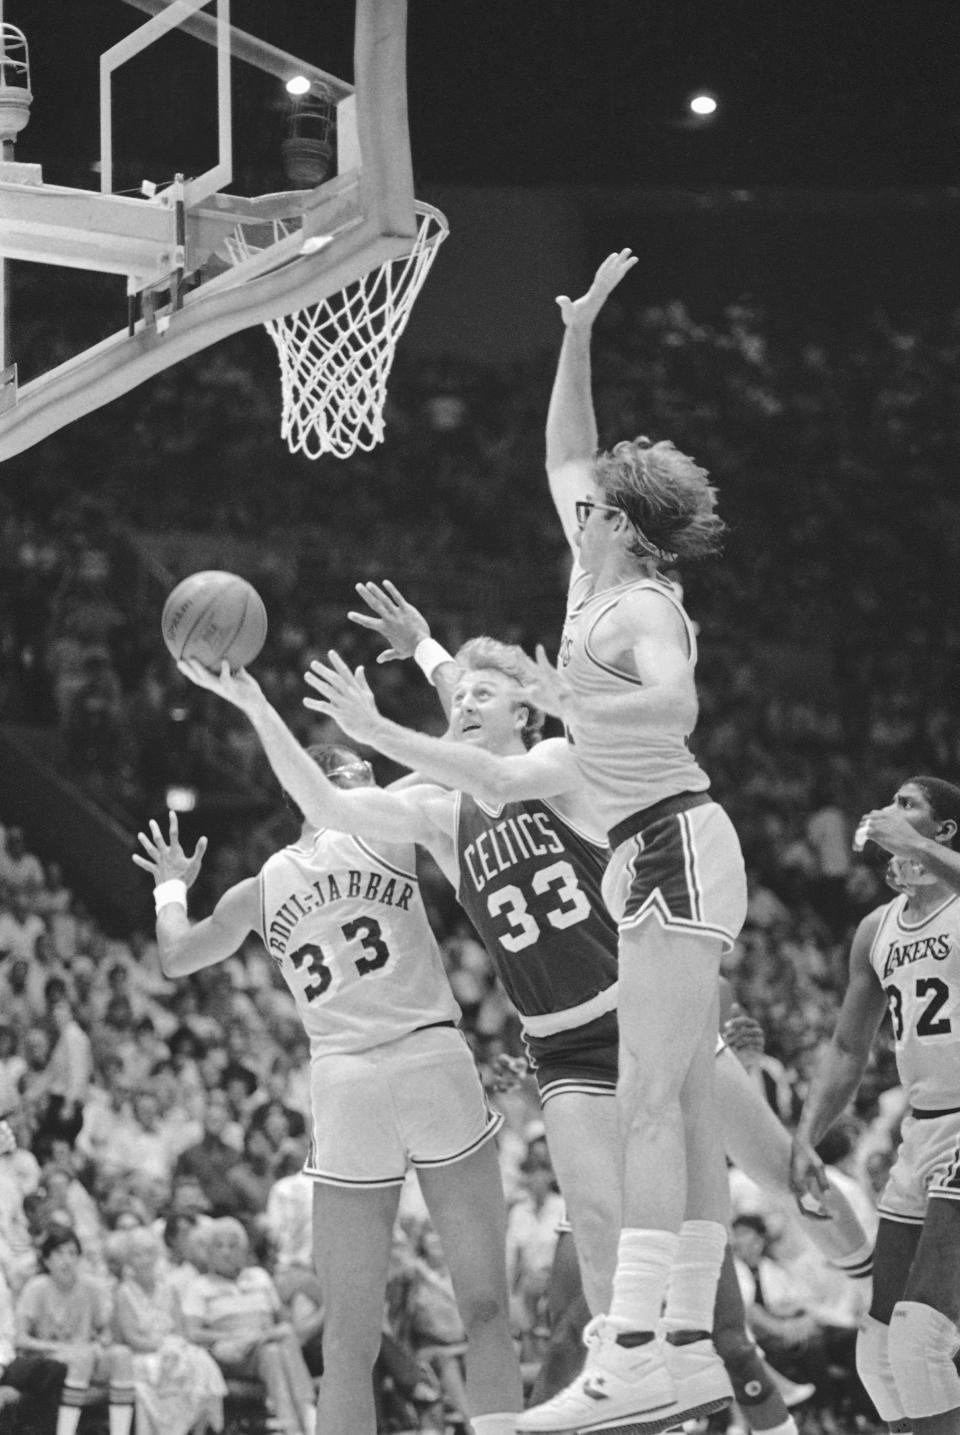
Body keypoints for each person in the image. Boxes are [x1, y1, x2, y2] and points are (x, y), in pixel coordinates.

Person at [180, 626, 866, 1435]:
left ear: (524, 711)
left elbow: (494, 752)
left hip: (647, 1006)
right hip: (562, 1042)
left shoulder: (563, 766)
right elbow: (328, 804)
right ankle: (644, 1394)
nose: (465, 703)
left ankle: (873, 1275)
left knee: (786, 1172)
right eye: (458, 696)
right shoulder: (437, 808)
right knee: (601, 1226)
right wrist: (255, 703)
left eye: (482, 696)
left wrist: (436, 661)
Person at [310, 249, 747, 1432]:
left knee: (666, 1107)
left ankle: (647, 1350)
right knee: (675, 1115)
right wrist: (577, 331)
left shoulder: (644, 604)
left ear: (622, 523)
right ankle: (681, 1354)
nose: (577, 497)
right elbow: (564, 447)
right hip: (646, 855)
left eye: (596, 499)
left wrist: (574, 700)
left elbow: (678, 705)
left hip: (672, 834)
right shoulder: (587, 573)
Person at [132, 758, 521, 1435]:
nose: (370, 772)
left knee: (379, 1331)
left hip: (353, 1082)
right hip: (416, 1062)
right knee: (413, 1321)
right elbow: (459, 756)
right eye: (353, 766)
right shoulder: (382, 831)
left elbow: (177, 953)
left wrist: (171, 888)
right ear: (310, 786)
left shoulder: (257, 890)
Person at [791, 776, 960, 1435]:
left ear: (944, 831)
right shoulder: (875, 928)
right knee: (880, 1352)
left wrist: (912, 841)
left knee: (919, 1337)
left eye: (907, 804)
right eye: (888, 803)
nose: (888, 811)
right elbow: (844, 1045)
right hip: (922, 1133)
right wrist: (807, 1133)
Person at [179, 1217, 312, 1435]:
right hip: (232, 1353)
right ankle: (307, 1415)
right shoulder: (199, 1286)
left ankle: (290, 1425)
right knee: (276, 1345)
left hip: (265, 1345)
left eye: (233, 1245)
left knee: (273, 1352)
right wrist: (233, 1335)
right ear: (209, 1253)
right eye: (218, 1246)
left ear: (244, 1251)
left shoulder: (259, 1277)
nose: (226, 1252)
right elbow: (192, 1333)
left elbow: (282, 1319)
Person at [15, 1224, 135, 1435]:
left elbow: (104, 1330)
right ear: (46, 1260)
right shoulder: (37, 1287)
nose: (67, 1260)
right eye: (60, 1253)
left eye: (72, 1253)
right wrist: (63, 1348)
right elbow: (21, 1340)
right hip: (49, 1361)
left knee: (122, 1355)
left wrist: (102, 1342)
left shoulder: (91, 1286)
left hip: (86, 1354)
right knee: (82, 1357)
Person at [112, 1224, 226, 1435]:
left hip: (172, 1349)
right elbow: (130, 1338)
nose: (145, 1260)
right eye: (138, 1255)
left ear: (157, 1256)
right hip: (141, 1355)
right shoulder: (123, 1292)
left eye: (149, 1253)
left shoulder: (169, 1289)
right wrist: (163, 1348)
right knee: (161, 1369)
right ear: (129, 1260)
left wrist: (175, 1348)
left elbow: (180, 1331)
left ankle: (202, 1429)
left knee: (198, 1363)